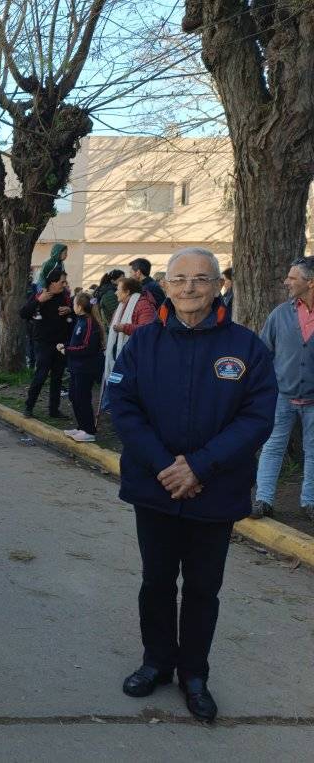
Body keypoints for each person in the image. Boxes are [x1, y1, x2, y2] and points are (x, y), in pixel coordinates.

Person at [108, 247, 276, 724]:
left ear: (218, 285)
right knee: (156, 581)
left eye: (201, 278)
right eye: (179, 279)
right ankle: (156, 662)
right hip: (155, 487)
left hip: (215, 491)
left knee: (203, 588)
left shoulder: (246, 347)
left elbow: (257, 417)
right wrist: (168, 466)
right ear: (165, 285)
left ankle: (194, 675)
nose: (189, 288)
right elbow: (122, 405)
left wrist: (199, 468)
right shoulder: (143, 342)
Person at [252, 256, 314, 522]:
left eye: (292, 277)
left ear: (310, 282)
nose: (286, 282)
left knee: (313, 451)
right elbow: (263, 353)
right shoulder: (279, 314)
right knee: (272, 446)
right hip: (281, 396)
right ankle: (263, 500)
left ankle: (310, 502)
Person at [20, 268, 73, 419]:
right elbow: (23, 313)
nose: (64, 285)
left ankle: (54, 410)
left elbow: (75, 313)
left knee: (57, 377)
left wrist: (69, 310)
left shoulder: (65, 296)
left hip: (60, 344)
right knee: (41, 375)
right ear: (52, 282)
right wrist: (39, 301)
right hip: (43, 343)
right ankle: (29, 407)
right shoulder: (40, 294)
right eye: (62, 282)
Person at [60, 292, 105, 442]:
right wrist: (66, 346)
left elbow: (87, 347)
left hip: (86, 368)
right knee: (74, 396)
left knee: (82, 398)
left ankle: (89, 430)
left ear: (79, 307)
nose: (72, 306)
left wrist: (67, 350)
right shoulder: (80, 321)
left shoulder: (90, 323)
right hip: (76, 366)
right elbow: (76, 342)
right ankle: (81, 427)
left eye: (74, 303)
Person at [101, 277, 143, 410]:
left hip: (130, 356)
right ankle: (111, 405)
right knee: (115, 381)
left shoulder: (142, 305)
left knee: (122, 385)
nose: (115, 292)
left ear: (127, 292)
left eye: (118, 289)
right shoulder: (122, 306)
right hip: (118, 355)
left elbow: (146, 329)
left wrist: (124, 328)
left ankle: (118, 407)